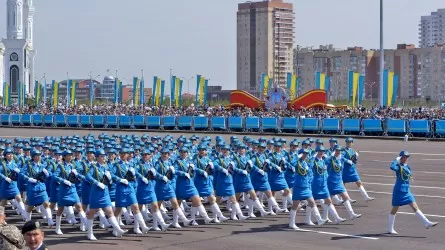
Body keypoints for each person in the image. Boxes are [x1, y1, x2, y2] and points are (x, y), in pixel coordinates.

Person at [387, 151, 438, 234]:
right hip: (399, 190)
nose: (405, 159)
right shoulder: (398, 166)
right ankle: (390, 228)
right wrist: (396, 160)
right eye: (403, 157)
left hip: (406, 190)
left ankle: (426, 222)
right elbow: (392, 167)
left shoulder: (407, 167)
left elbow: (408, 175)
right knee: (395, 209)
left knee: (414, 206)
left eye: (406, 157)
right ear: (400, 158)